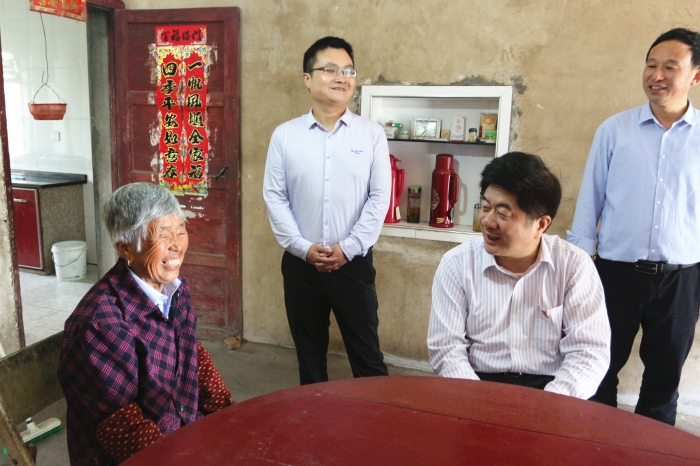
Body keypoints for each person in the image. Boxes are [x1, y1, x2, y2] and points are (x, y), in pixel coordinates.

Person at [568, 28, 700, 425]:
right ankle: (593, 445)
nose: (656, 75)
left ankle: (652, 450)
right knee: (596, 369)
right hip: (614, 274)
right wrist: (580, 266)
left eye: (670, 67)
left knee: (663, 381)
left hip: (681, 280)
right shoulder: (615, 130)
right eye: (651, 65)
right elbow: (590, 198)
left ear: (695, 76)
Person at [58, 183, 233, 465]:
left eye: (180, 231)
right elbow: (122, 425)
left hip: (183, 434)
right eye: (162, 235)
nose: (176, 245)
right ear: (126, 247)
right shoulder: (101, 324)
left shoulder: (175, 290)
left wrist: (229, 417)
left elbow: (192, 356)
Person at [428, 152, 610, 399]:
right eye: (485, 207)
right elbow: (446, 349)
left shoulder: (574, 266)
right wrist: (476, 401)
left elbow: (589, 353)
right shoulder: (457, 264)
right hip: (476, 383)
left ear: (541, 224)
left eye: (503, 214)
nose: (487, 221)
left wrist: (549, 405)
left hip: (551, 389)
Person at [263, 36, 391, 385]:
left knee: (367, 357)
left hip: (353, 263)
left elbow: (380, 197)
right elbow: (275, 197)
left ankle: (378, 415)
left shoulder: (371, 134)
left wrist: (348, 248)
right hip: (301, 265)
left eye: (348, 71)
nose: (342, 77)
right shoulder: (285, 136)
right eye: (331, 69)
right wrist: (302, 248)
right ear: (307, 78)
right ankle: (315, 415)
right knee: (309, 357)